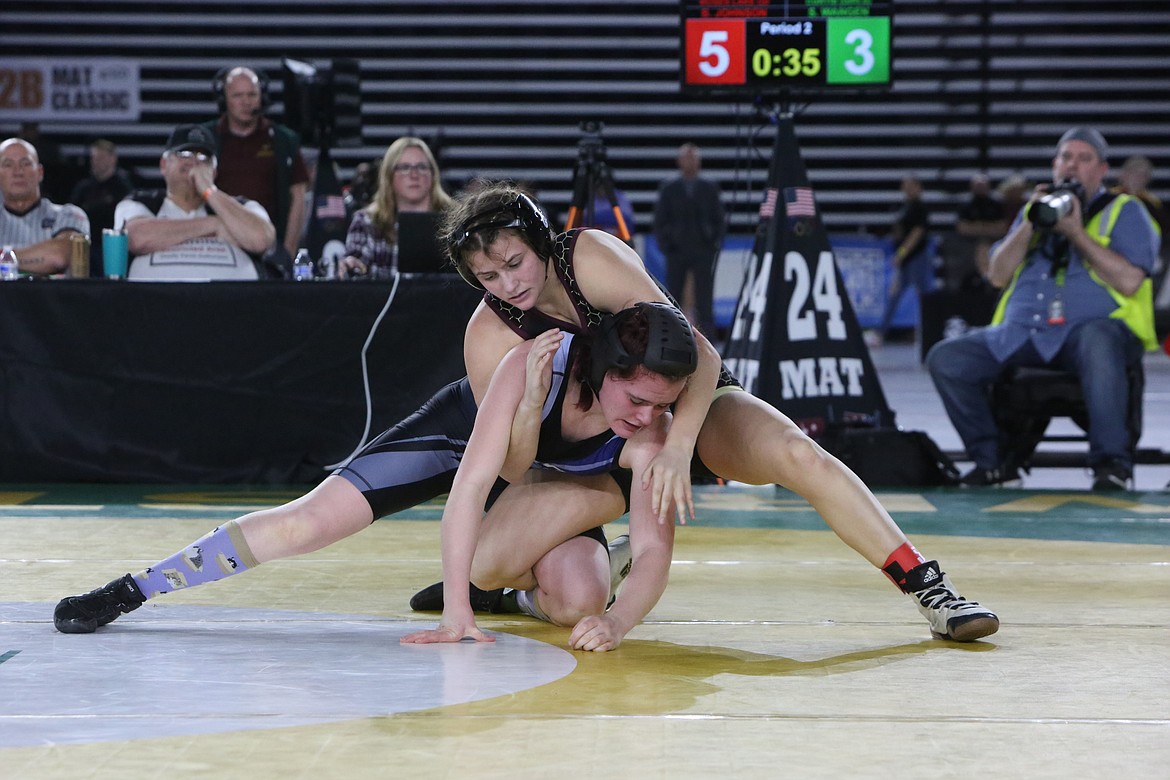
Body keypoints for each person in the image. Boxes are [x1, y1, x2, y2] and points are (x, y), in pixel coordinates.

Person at [53, 183, 998, 646]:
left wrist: (664, 444)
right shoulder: (494, 345)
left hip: (646, 415)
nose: (513, 282)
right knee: (320, 520)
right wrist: (563, 460)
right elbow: (498, 476)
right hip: (532, 448)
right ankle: (139, 586)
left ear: (543, 244)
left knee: (795, 451)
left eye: (517, 263)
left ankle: (928, 586)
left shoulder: (592, 263)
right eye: (492, 275)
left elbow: (697, 355)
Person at [403, 304, 697, 650]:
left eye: (662, 406)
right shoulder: (541, 366)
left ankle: (507, 593)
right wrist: (456, 609)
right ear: (605, 369)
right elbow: (471, 485)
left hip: (591, 493)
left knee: (583, 607)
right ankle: (517, 590)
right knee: (558, 594)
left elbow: (653, 549)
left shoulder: (652, 435)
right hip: (526, 486)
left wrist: (617, 622)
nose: (646, 417)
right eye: (636, 400)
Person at [927, 127, 1159, 490]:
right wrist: (1029, 225)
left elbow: (1130, 281)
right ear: (1054, 165)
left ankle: (1111, 463)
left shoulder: (1125, 210)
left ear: (1102, 170)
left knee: (1098, 339)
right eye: (1066, 157)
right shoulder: (1033, 212)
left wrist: (1076, 233)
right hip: (1023, 333)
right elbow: (998, 275)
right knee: (947, 359)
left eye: (1084, 159)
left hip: (1093, 331)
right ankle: (993, 464)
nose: (1072, 166)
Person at [114, 125, 277, 280]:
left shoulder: (241, 206)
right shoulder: (140, 203)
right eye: (184, 154)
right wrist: (216, 225)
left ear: (213, 172)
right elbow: (135, 238)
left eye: (203, 157)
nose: (193, 162)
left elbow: (261, 240)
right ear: (164, 165)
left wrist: (209, 190)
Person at [201, 66, 310, 259]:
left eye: (252, 94)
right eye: (237, 95)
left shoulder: (283, 140)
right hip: (216, 247)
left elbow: (298, 198)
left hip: (270, 247)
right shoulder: (204, 138)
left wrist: (287, 252)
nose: (246, 102)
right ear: (224, 98)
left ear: (262, 97)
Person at [336, 136, 454, 279]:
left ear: (433, 174)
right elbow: (356, 260)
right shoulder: (367, 221)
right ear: (389, 175)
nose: (414, 174)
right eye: (405, 167)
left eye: (421, 167)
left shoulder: (455, 219)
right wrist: (352, 264)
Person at [654, 143, 725, 336]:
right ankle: (671, 337)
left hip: (703, 248)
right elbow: (660, 219)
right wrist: (666, 243)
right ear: (679, 161)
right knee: (671, 296)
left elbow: (719, 218)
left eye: (694, 158)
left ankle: (709, 341)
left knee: (705, 298)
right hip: (677, 250)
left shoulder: (709, 187)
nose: (690, 162)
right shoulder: (669, 188)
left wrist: (714, 241)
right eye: (686, 158)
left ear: (699, 161)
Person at [0, 137, 89, 276]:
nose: (18, 172)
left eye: (26, 163)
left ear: (40, 172)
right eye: (8, 164)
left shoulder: (68, 214)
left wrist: (4, 257)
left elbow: (59, 256)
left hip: (52, 298)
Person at [866, 175, 933, 348]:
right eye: (905, 186)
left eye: (912, 186)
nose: (908, 189)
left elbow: (916, 233)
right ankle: (880, 332)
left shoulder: (919, 208)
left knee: (925, 297)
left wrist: (901, 253)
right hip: (906, 260)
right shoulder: (905, 207)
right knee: (895, 295)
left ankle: (930, 333)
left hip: (916, 258)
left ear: (919, 187)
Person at [68, 139, 135, 276]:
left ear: (113, 159)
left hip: (112, 248)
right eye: (94, 157)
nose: (96, 161)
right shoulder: (83, 188)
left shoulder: (123, 188)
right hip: (86, 247)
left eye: (101, 157)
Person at [953, 172, 1007, 284]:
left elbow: (1002, 227)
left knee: (986, 246)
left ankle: (989, 276)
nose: (980, 189)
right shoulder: (966, 205)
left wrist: (978, 227)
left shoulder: (995, 204)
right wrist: (987, 227)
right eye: (977, 186)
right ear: (972, 187)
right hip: (968, 243)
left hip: (994, 241)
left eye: (982, 186)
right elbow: (962, 228)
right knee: (981, 246)